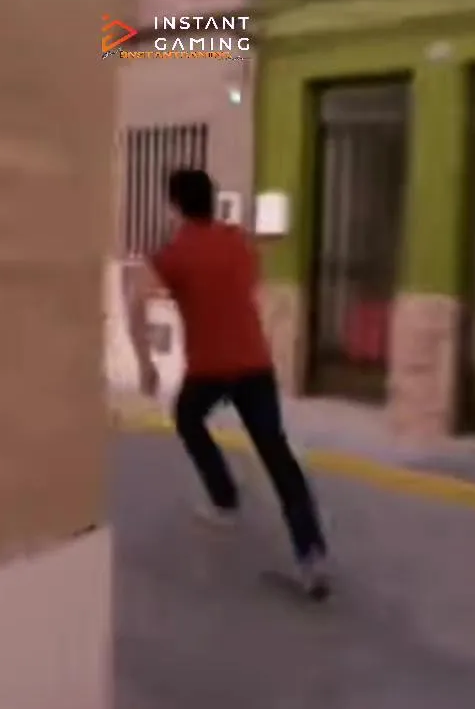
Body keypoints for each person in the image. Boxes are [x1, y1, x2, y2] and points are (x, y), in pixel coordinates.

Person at [123, 168, 330, 599]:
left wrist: (146, 365)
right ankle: (311, 555)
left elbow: (135, 301)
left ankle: (224, 498)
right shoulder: (238, 240)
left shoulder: (174, 254)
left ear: (174, 206)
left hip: (210, 369)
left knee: (187, 416)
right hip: (255, 364)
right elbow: (251, 274)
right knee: (277, 455)